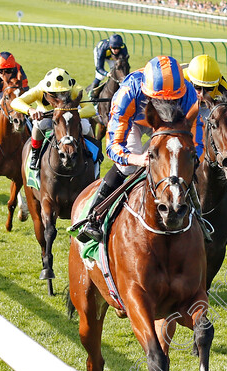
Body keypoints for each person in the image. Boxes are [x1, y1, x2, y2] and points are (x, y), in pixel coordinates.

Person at [76, 56, 205, 244]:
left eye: (172, 99)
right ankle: (94, 217)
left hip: (170, 126)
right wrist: (137, 159)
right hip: (133, 122)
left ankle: (199, 218)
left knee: (178, 163)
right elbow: (113, 145)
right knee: (128, 168)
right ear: (147, 91)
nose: (165, 104)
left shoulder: (188, 94)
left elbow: (197, 142)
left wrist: (190, 160)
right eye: (158, 99)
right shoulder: (128, 92)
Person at [183, 55, 227, 195]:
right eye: (197, 87)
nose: (201, 93)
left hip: (209, 106)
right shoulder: (181, 80)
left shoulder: (222, 87)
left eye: (207, 88)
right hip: (183, 104)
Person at [11, 68, 96, 170]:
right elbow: (15, 102)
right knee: (39, 125)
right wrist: (31, 110)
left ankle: (94, 152)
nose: (60, 97)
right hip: (47, 115)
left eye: (64, 93)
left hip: (70, 114)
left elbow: (91, 109)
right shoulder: (39, 89)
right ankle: (35, 153)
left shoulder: (75, 88)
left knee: (86, 126)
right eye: (55, 94)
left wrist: (74, 115)